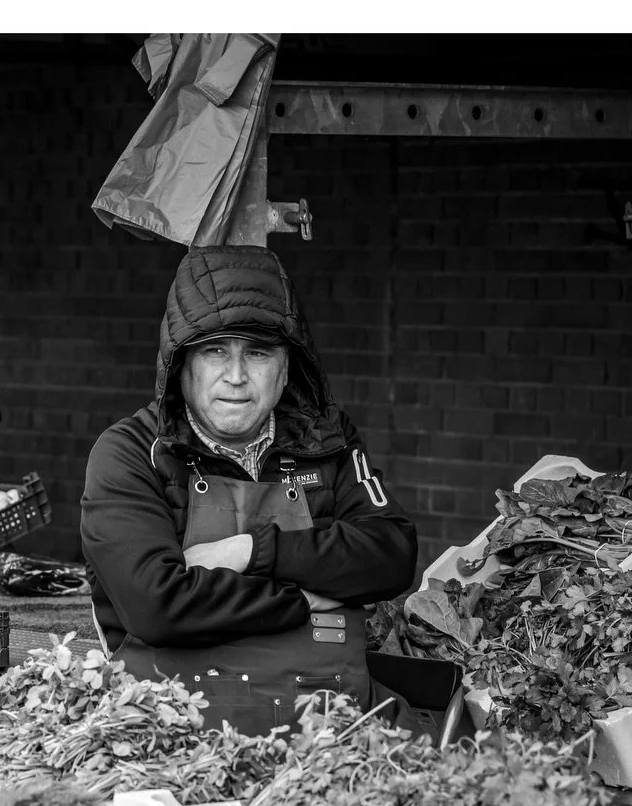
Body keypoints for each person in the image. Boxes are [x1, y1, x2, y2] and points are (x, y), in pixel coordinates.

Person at [80, 244, 419, 737]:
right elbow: (158, 606)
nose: (236, 376)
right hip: (173, 732)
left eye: (257, 353)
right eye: (216, 350)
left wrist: (250, 551)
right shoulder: (130, 453)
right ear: (182, 365)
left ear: (286, 369)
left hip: (333, 728)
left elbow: (391, 554)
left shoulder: (327, 441)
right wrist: (308, 597)